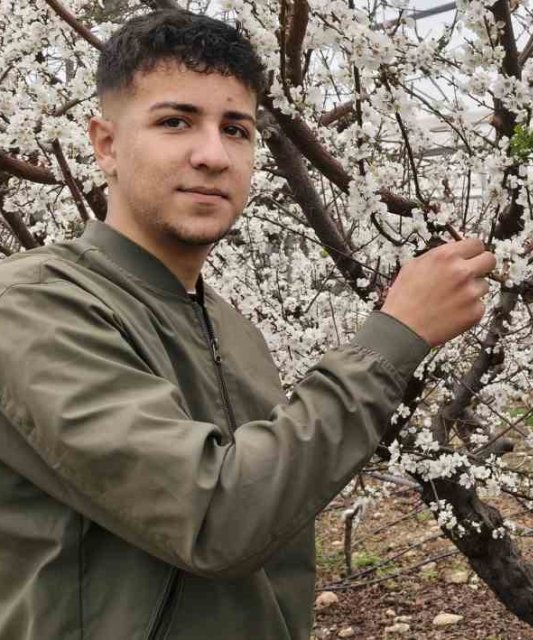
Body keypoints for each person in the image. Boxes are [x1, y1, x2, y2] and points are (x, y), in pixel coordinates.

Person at [0, 9, 495, 639]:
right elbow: (218, 518)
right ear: (106, 144)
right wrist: (393, 337)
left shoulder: (233, 330)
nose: (212, 155)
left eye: (236, 129)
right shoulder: (31, 306)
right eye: (175, 121)